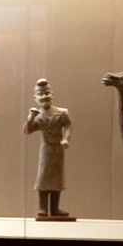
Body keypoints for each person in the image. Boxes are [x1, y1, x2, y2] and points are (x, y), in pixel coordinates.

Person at [23, 78, 72, 217]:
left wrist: (65, 139)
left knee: (57, 178)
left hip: (58, 148)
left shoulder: (62, 113)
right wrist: (30, 117)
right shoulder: (37, 115)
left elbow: (68, 125)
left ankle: (55, 209)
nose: (44, 97)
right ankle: (43, 209)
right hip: (46, 148)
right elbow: (27, 130)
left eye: (47, 93)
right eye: (40, 94)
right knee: (43, 178)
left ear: (52, 95)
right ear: (35, 98)